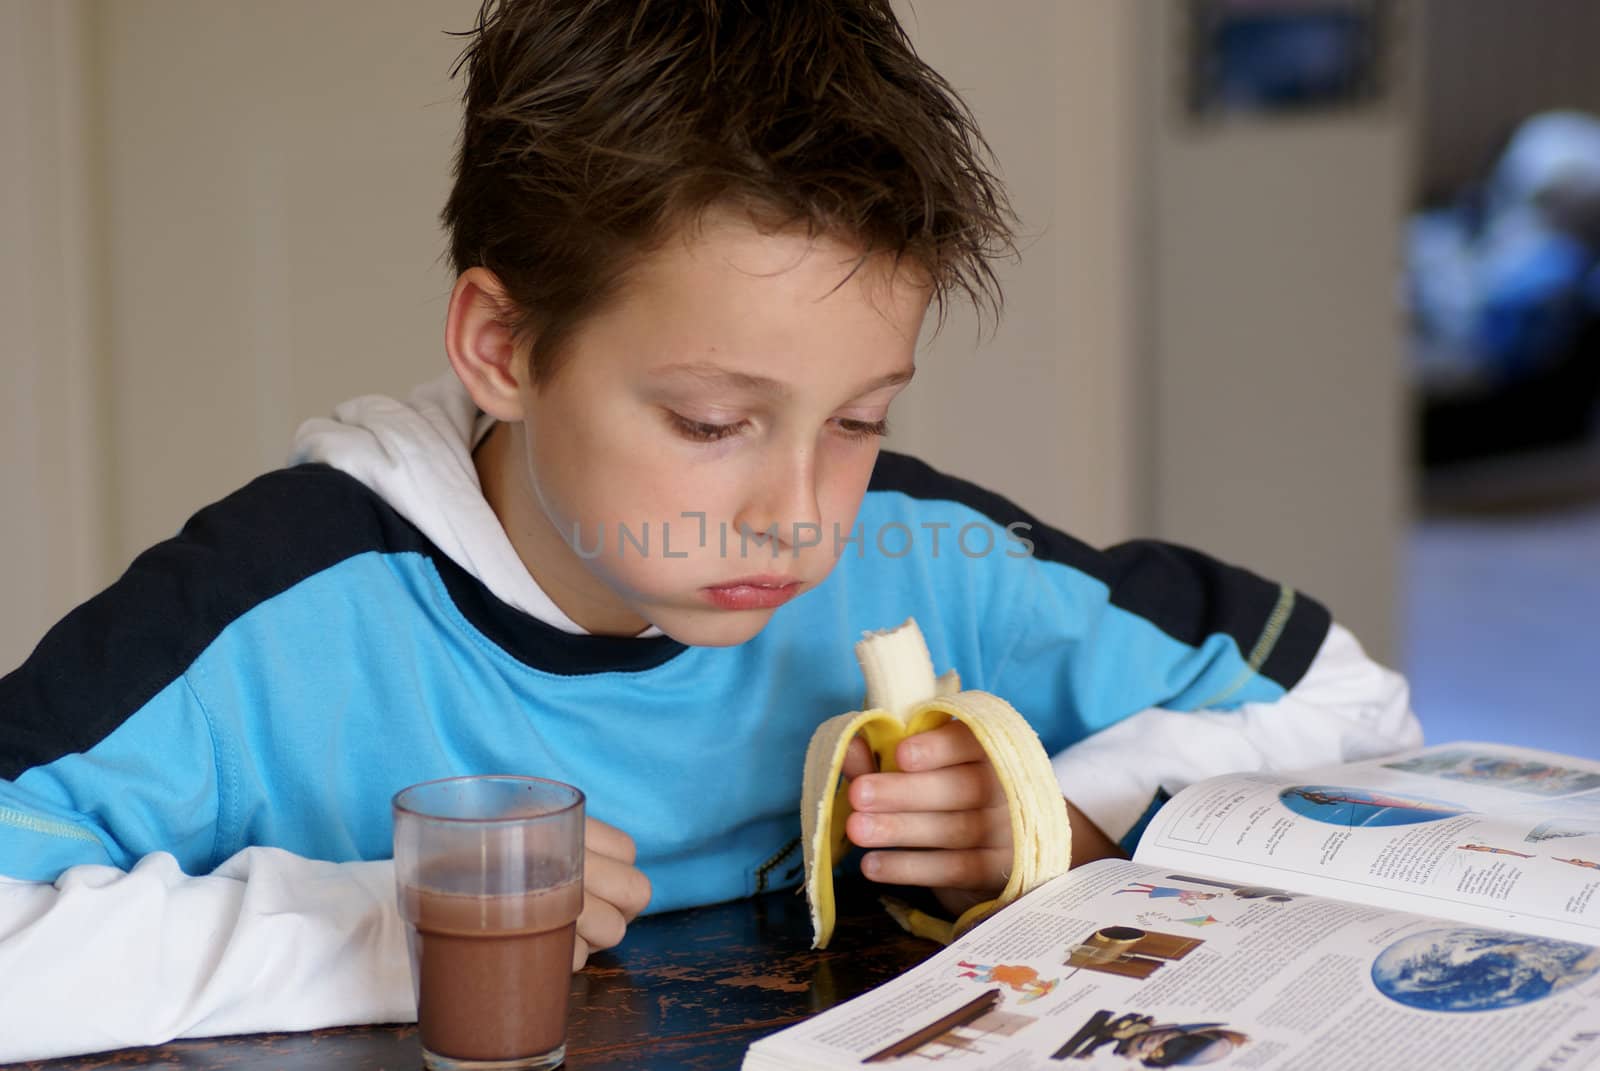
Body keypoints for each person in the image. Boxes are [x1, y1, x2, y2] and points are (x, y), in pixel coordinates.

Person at [0, 0, 1421, 1060]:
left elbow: (1349, 701)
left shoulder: (921, 554)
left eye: (858, 420)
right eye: (707, 421)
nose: (800, 516)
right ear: (503, 344)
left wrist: (1068, 812)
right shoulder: (269, 615)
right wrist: (391, 928)